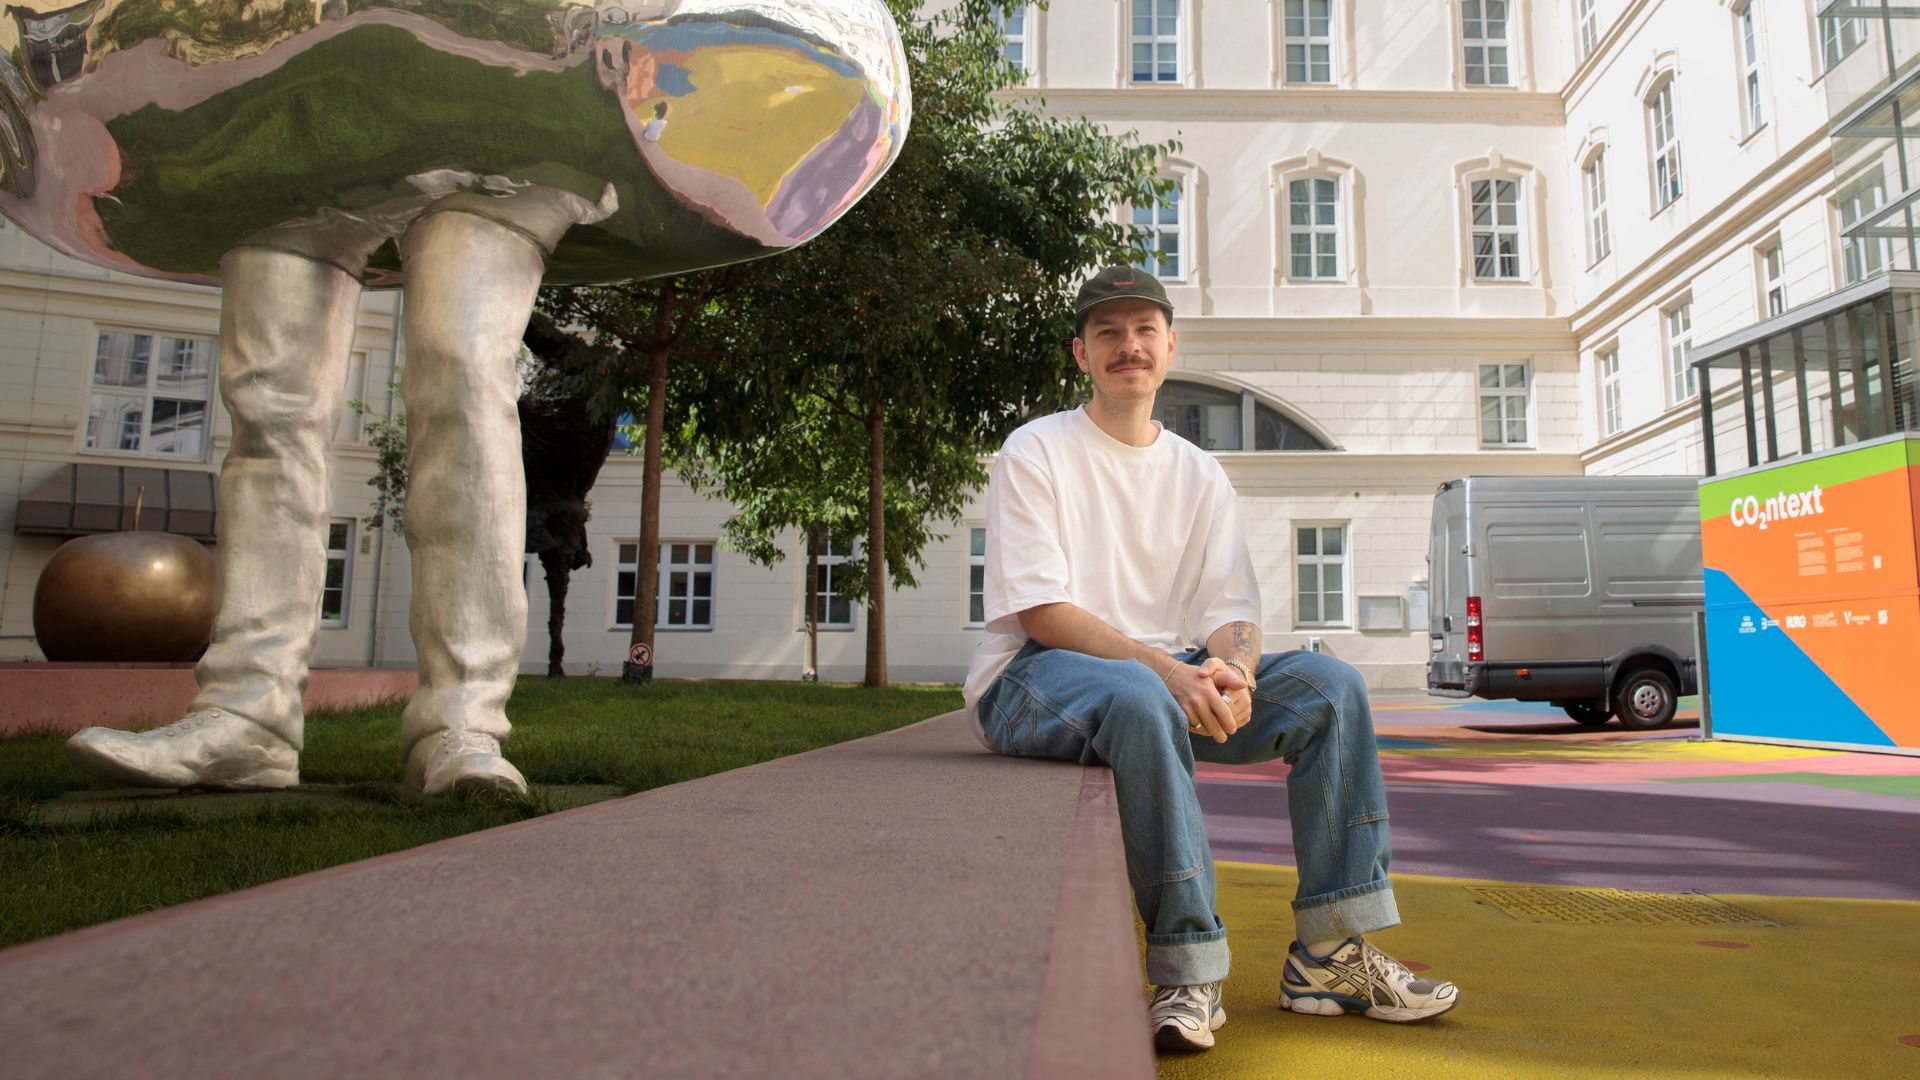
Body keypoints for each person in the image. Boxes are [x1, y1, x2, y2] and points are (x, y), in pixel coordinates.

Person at [963, 267, 1460, 1053]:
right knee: (1140, 696)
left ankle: (1330, 952)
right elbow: (1042, 612)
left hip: (1167, 676)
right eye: (1108, 333)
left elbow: (1230, 612)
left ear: (1169, 345)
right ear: (1081, 354)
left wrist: (1236, 673)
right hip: (1034, 676)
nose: (1129, 346)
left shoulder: (1199, 471)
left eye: (1144, 330)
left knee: (1330, 687)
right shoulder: (1037, 451)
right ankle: (1188, 968)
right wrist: (1169, 672)